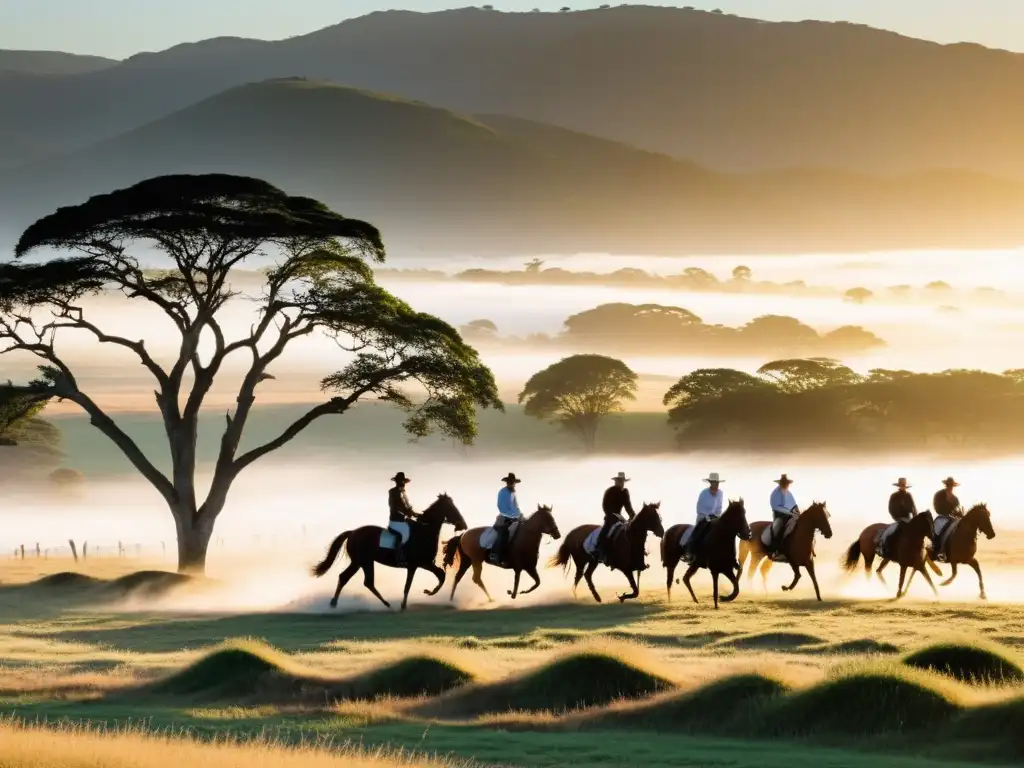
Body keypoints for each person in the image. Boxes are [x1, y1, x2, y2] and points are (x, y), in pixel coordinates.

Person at [595, 472, 636, 563]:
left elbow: (628, 506)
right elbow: (605, 505)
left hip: (619, 517)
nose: (621, 482)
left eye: (622, 481)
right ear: (616, 481)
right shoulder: (609, 491)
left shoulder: (625, 492)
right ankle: (599, 551)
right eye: (619, 480)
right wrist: (611, 514)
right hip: (610, 516)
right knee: (605, 531)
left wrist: (633, 516)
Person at [685, 472, 724, 561]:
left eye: (717, 483)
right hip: (703, 517)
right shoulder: (704, 493)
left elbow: (719, 507)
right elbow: (699, 507)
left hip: (714, 518)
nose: (716, 485)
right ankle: (690, 552)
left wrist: (717, 516)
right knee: (698, 532)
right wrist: (707, 517)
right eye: (714, 483)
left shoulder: (720, 493)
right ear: (710, 483)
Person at [878, 477, 917, 558]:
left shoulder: (909, 496)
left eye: (904, 486)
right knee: (890, 532)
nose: (903, 487)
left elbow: (913, 508)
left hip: (908, 519)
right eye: (901, 486)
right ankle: (885, 548)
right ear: (899, 486)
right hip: (898, 519)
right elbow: (891, 509)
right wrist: (897, 518)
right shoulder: (894, 496)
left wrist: (915, 518)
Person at [491, 472, 523, 564]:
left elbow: (516, 506)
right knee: (503, 534)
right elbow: (501, 506)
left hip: (515, 517)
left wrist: (519, 514)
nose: (511, 484)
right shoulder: (503, 492)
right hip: (503, 518)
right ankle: (494, 554)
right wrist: (513, 516)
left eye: (513, 482)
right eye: (510, 482)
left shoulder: (513, 493)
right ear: (507, 483)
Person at [387, 472, 417, 566]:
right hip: (395, 520)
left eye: (403, 482)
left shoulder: (404, 493)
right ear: (397, 482)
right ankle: (400, 558)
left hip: (403, 519)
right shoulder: (393, 492)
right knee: (405, 534)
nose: (403, 483)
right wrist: (406, 513)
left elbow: (407, 507)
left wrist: (414, 513)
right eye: (401, 481)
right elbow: (393, 507)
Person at [766, 474, 799, 556]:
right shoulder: (775, 493)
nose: (787, 485)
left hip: (790, 515)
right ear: (781, 484)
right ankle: (775, 550)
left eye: (787, 484)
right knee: (777, 527)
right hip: (779, 515)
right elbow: (776, 507)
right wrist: (790, 512)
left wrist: (796, 510)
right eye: (785, 484)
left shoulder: (789, 493)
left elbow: (793, 504)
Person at [932, 477, 963, 559]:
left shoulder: (955, 499)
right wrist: (945, 513)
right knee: (940, 530)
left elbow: (957, 509)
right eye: (949, 485)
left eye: (951, 486)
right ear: (946, 485)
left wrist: (958, 514)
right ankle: (940, 549)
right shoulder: (939, 495)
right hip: (942, 516)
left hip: (953, 518)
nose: (950, 487)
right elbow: (936, 506)